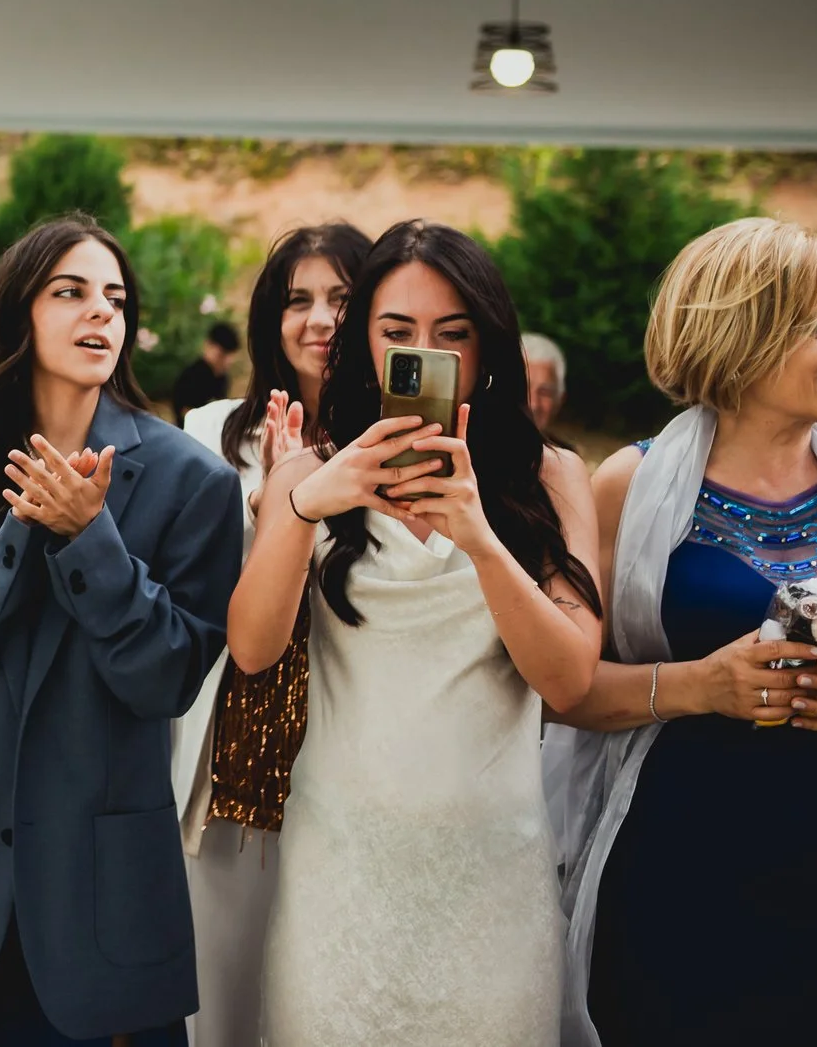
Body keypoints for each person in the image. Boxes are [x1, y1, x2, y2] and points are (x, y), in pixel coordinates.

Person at [228, 219, 601, 1047]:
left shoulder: (551, 476)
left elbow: (571, 680)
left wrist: (480, 538)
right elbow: (252, 649)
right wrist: (306, 502)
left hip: (491, 879)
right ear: (363, 343)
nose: (422, 353)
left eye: (451, 334)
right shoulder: (308, 474)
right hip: (339, 871)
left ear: (488, 344)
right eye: (397, 332)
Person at [554, 218, 817, 1047]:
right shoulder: (629, 487)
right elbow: (563, 692)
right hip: (677, 865)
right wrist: (698, 685)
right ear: (745, 336)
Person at [0, 216, 241, 1047]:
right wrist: (18, 535)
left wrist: (91, 539)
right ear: (18, 312)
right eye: (70, 291)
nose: (101, 312)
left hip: (108, 922)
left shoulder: (195, 482)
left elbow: (166, 678)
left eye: (115, 298)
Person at [170, 222, 368, 1047]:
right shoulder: (214, 432)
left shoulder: (397, 445)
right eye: (297, 300)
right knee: (219, 997)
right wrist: (272, 509)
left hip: (351, 757)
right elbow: (196, 592)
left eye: (341, 298)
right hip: (235, 760)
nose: (319, 318)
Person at [168, 323, 239, 423]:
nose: (226, 362)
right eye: (221, 355)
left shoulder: (222, 378)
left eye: (229, 357)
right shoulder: (191, 377)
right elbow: (186, 414)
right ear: (208, 346)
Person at [523, 331, 569, 441]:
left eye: (545, 392)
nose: (533, 404)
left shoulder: (563, 452)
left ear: (559, 400)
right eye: (523, 388)